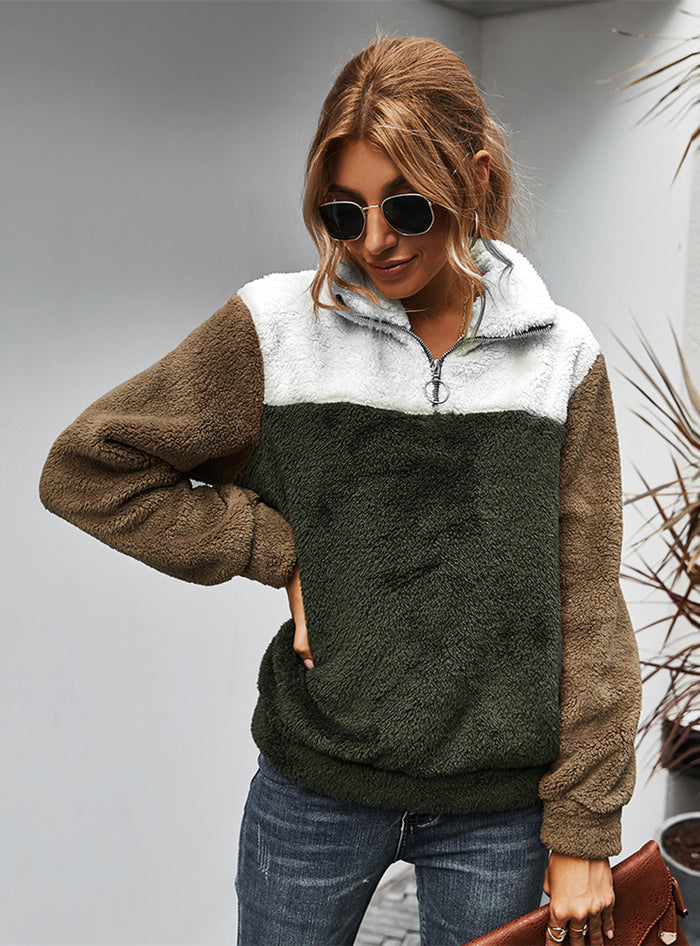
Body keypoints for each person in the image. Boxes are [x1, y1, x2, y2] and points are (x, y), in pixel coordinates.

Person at [39, 31, 643, 946]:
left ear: (474, 179)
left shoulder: (563, 359)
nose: (375, 241)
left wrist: (585, 826)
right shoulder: (277, 330)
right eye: (343, 212)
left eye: (405, 205)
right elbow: (89, 468)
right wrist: (274, 548)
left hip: (499, 812)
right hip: (314, 791)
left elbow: (590, 604)